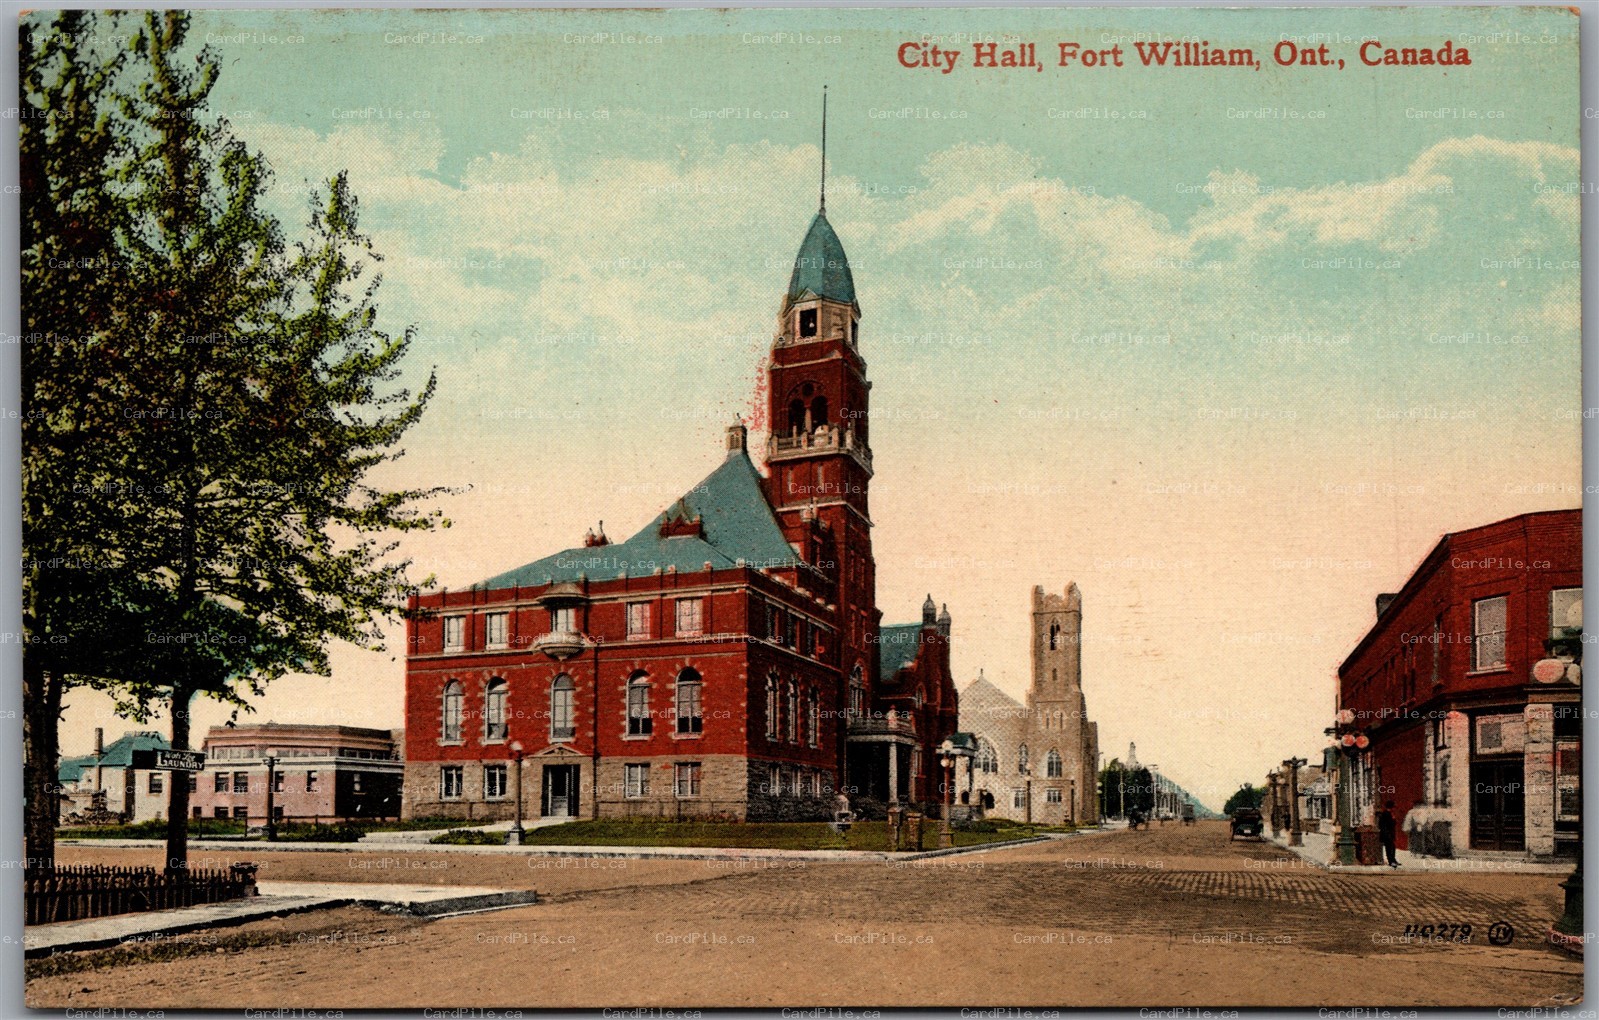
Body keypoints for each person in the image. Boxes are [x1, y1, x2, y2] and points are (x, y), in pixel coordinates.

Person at [1377, 800, 1400, 868]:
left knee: (1392, 847)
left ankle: (1393, 860)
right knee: (1389, 848)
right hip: (1387, 834)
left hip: (1389, 833)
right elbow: (1386, 825)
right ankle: (1391, 861)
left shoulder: (1388, 814)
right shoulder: (1386, 814)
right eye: (1393, 807)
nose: (1394, 809)